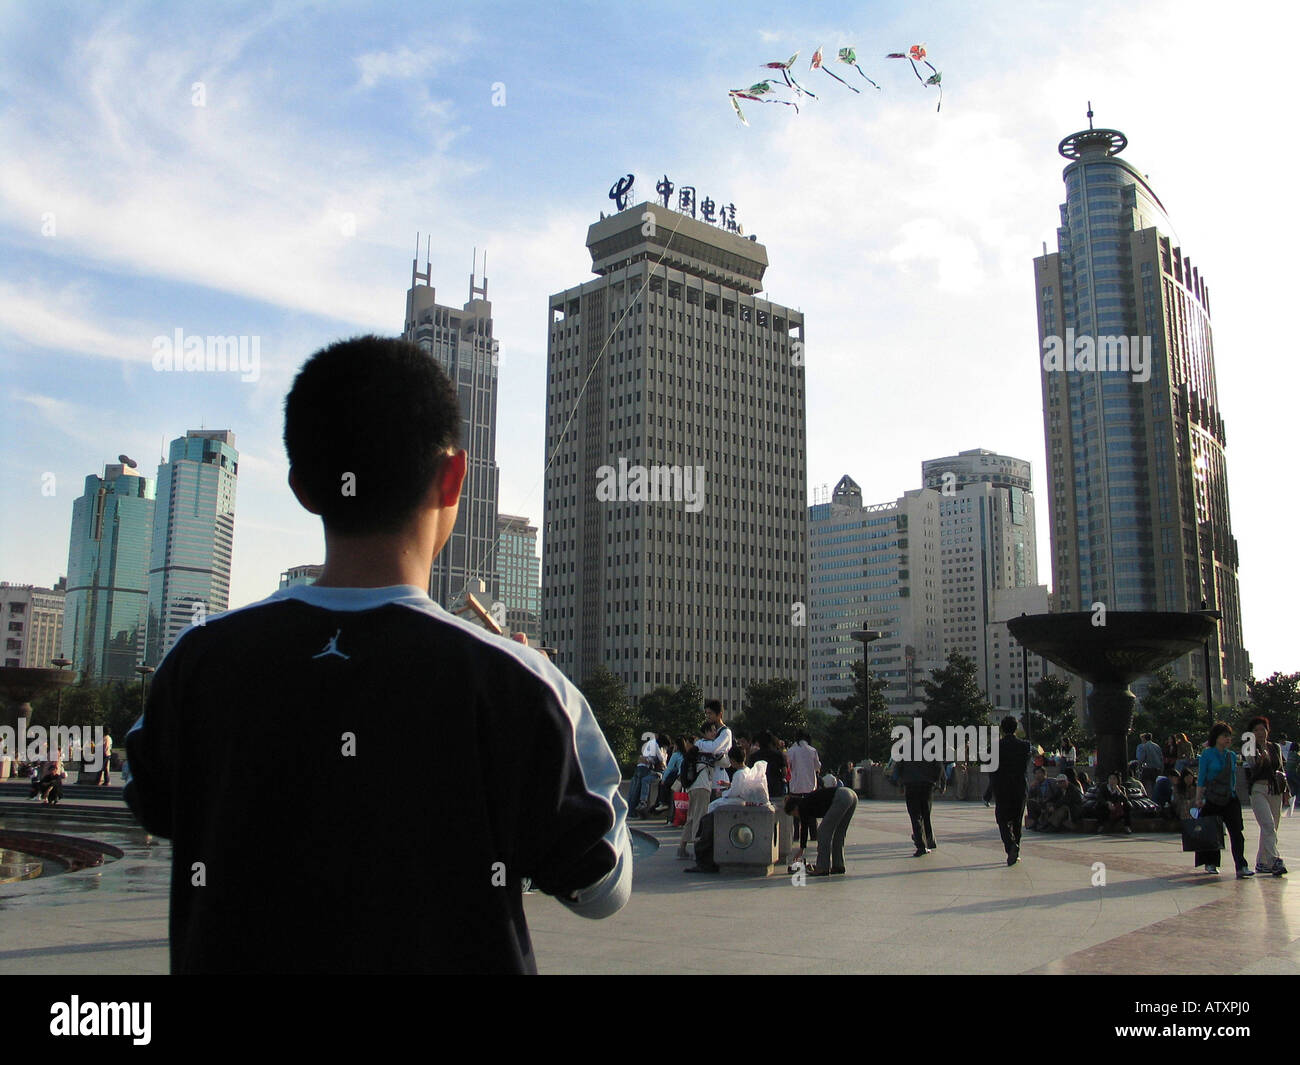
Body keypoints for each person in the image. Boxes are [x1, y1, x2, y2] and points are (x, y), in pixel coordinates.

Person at [124, 335, 630, 974]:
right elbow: (600, 889)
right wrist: (557, 690)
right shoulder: (516, 685)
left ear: (303, 486)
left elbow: (152, 799)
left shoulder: (197, 664)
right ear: (453, 477)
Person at [1193, 722, 1252, 878]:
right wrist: (1198, 797)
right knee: (1212, 832)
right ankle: (1211, 863)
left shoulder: (1231, 755)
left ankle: (1241, 865)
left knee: (1236, 832)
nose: (1228, 739)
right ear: (1216, 737)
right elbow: (1201, 777)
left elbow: (1232, 778)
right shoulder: (1207, 754)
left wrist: (1232, 793)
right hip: (1212, 798)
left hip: (1229, 798)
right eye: (1224, 736)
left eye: (1229, 736)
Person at [1243, 716, 1287, 876]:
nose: (1260, 733)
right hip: (1258, 789)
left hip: (1275, 789)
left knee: (1271, 828)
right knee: (1268, 825)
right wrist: (1259, 760)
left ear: (1268, 731)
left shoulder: (1275, 747)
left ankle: (1262, 862)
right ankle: (1274, 859)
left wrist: (1286, 791)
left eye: (1262, 729)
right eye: (1256, 730)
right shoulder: (1249, 747)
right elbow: (1251, 766)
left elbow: (1281, 768)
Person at [784, 786, 857, 876]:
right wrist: (802, 848)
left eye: (793, 814)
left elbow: (804, 828)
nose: (796, 816)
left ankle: (822, 867)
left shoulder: (802, 805)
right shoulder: (807, 801)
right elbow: (805, 827)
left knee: (822, 832)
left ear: (795, 808)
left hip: (841, 797)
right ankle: (838, 866)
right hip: (851, 795)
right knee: (839, 833)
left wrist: (802, 848)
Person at [897, 722, 945, 856]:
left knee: (914, 815)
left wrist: (901, 784)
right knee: (925, 814)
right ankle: (929, 841)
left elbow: (898, 767)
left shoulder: (904, 747)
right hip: (927, 785)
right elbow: (939, 766)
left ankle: (920, 845)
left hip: (911, 784)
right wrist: (937, 782)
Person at [988, 716, 1031, 864]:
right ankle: (1016, 850)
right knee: (1017, 820)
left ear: (1002, 728)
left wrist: (989, 791)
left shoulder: (995, 747)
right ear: (1015, 728)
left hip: (1002, 788)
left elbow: (991, 770)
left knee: (1002, 819)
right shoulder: (1025, 746)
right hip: (1019, 788)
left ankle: (1010, 845)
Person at [748, 730, 787, 799]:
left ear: (759, 743)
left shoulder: (754, 756)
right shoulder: (777, 754)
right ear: (771, 742)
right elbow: (784, 772)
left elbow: (750, 774)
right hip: (776, 788)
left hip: (759, 790)